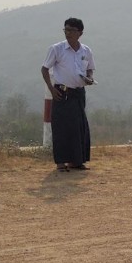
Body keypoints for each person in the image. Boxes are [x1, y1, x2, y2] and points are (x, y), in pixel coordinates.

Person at [40, 17, 95, 172]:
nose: (68, 33)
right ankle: (60, 163)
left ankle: (76, 161)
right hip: (61, 92)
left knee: (78, 127)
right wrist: (51, 89)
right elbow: (44, 69)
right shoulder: (57, 49)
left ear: (80, 33)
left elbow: (90, 69)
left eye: (71, 30)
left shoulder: (86, 51)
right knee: (61, 127)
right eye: (66, 29)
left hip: (78, 93)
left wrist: (89, 78)